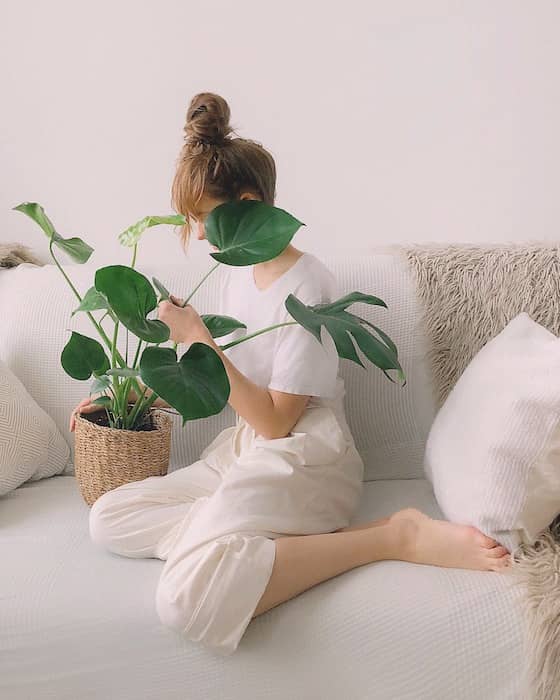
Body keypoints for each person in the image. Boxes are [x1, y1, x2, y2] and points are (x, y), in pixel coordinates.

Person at [70, 92, 510, 656]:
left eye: (202, 216)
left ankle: (390, 537)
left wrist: (200, 339)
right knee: (108, 518)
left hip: (304, 458)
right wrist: (114, 402)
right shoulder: (234, 275)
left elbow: (278, 422)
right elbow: (209, 384)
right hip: (243, 453)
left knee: (183, 600)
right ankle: (235, 534)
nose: (198, 235)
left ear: (249, 202)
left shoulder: (308, 285)